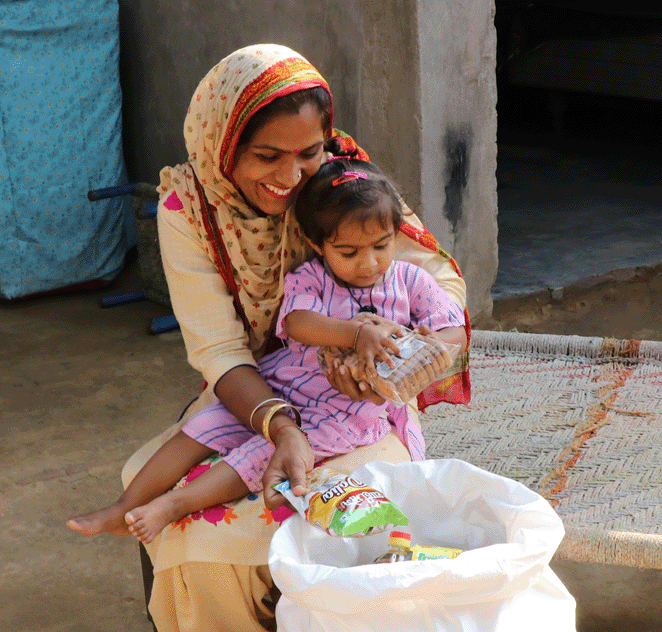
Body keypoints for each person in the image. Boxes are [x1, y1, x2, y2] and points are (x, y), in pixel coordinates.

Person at [67, 44, 470, 632]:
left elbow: (434, 289)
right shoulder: (184, 207)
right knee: (180, 523)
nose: (290, 178)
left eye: (306, 153)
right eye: (265, 156)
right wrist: (279, 422)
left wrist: (390, 358)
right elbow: (221, 351)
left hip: (360, 412)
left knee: (305, 523)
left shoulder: (347, 181)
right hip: (257, 394)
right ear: (222, 143)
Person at [70, 158, 469, 546]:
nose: (368, 263)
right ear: (316, 242)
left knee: (260, 453)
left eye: (381, 246)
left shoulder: (411, 280)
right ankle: (123, 506)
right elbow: (297, 323)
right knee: (202, 427)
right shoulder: (309, 278)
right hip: (283, 384)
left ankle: (173, 505)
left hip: (344, 411)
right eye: (348, 252)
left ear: (396, 235)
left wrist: (422, 349)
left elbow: (453, 331)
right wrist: (355, 333)